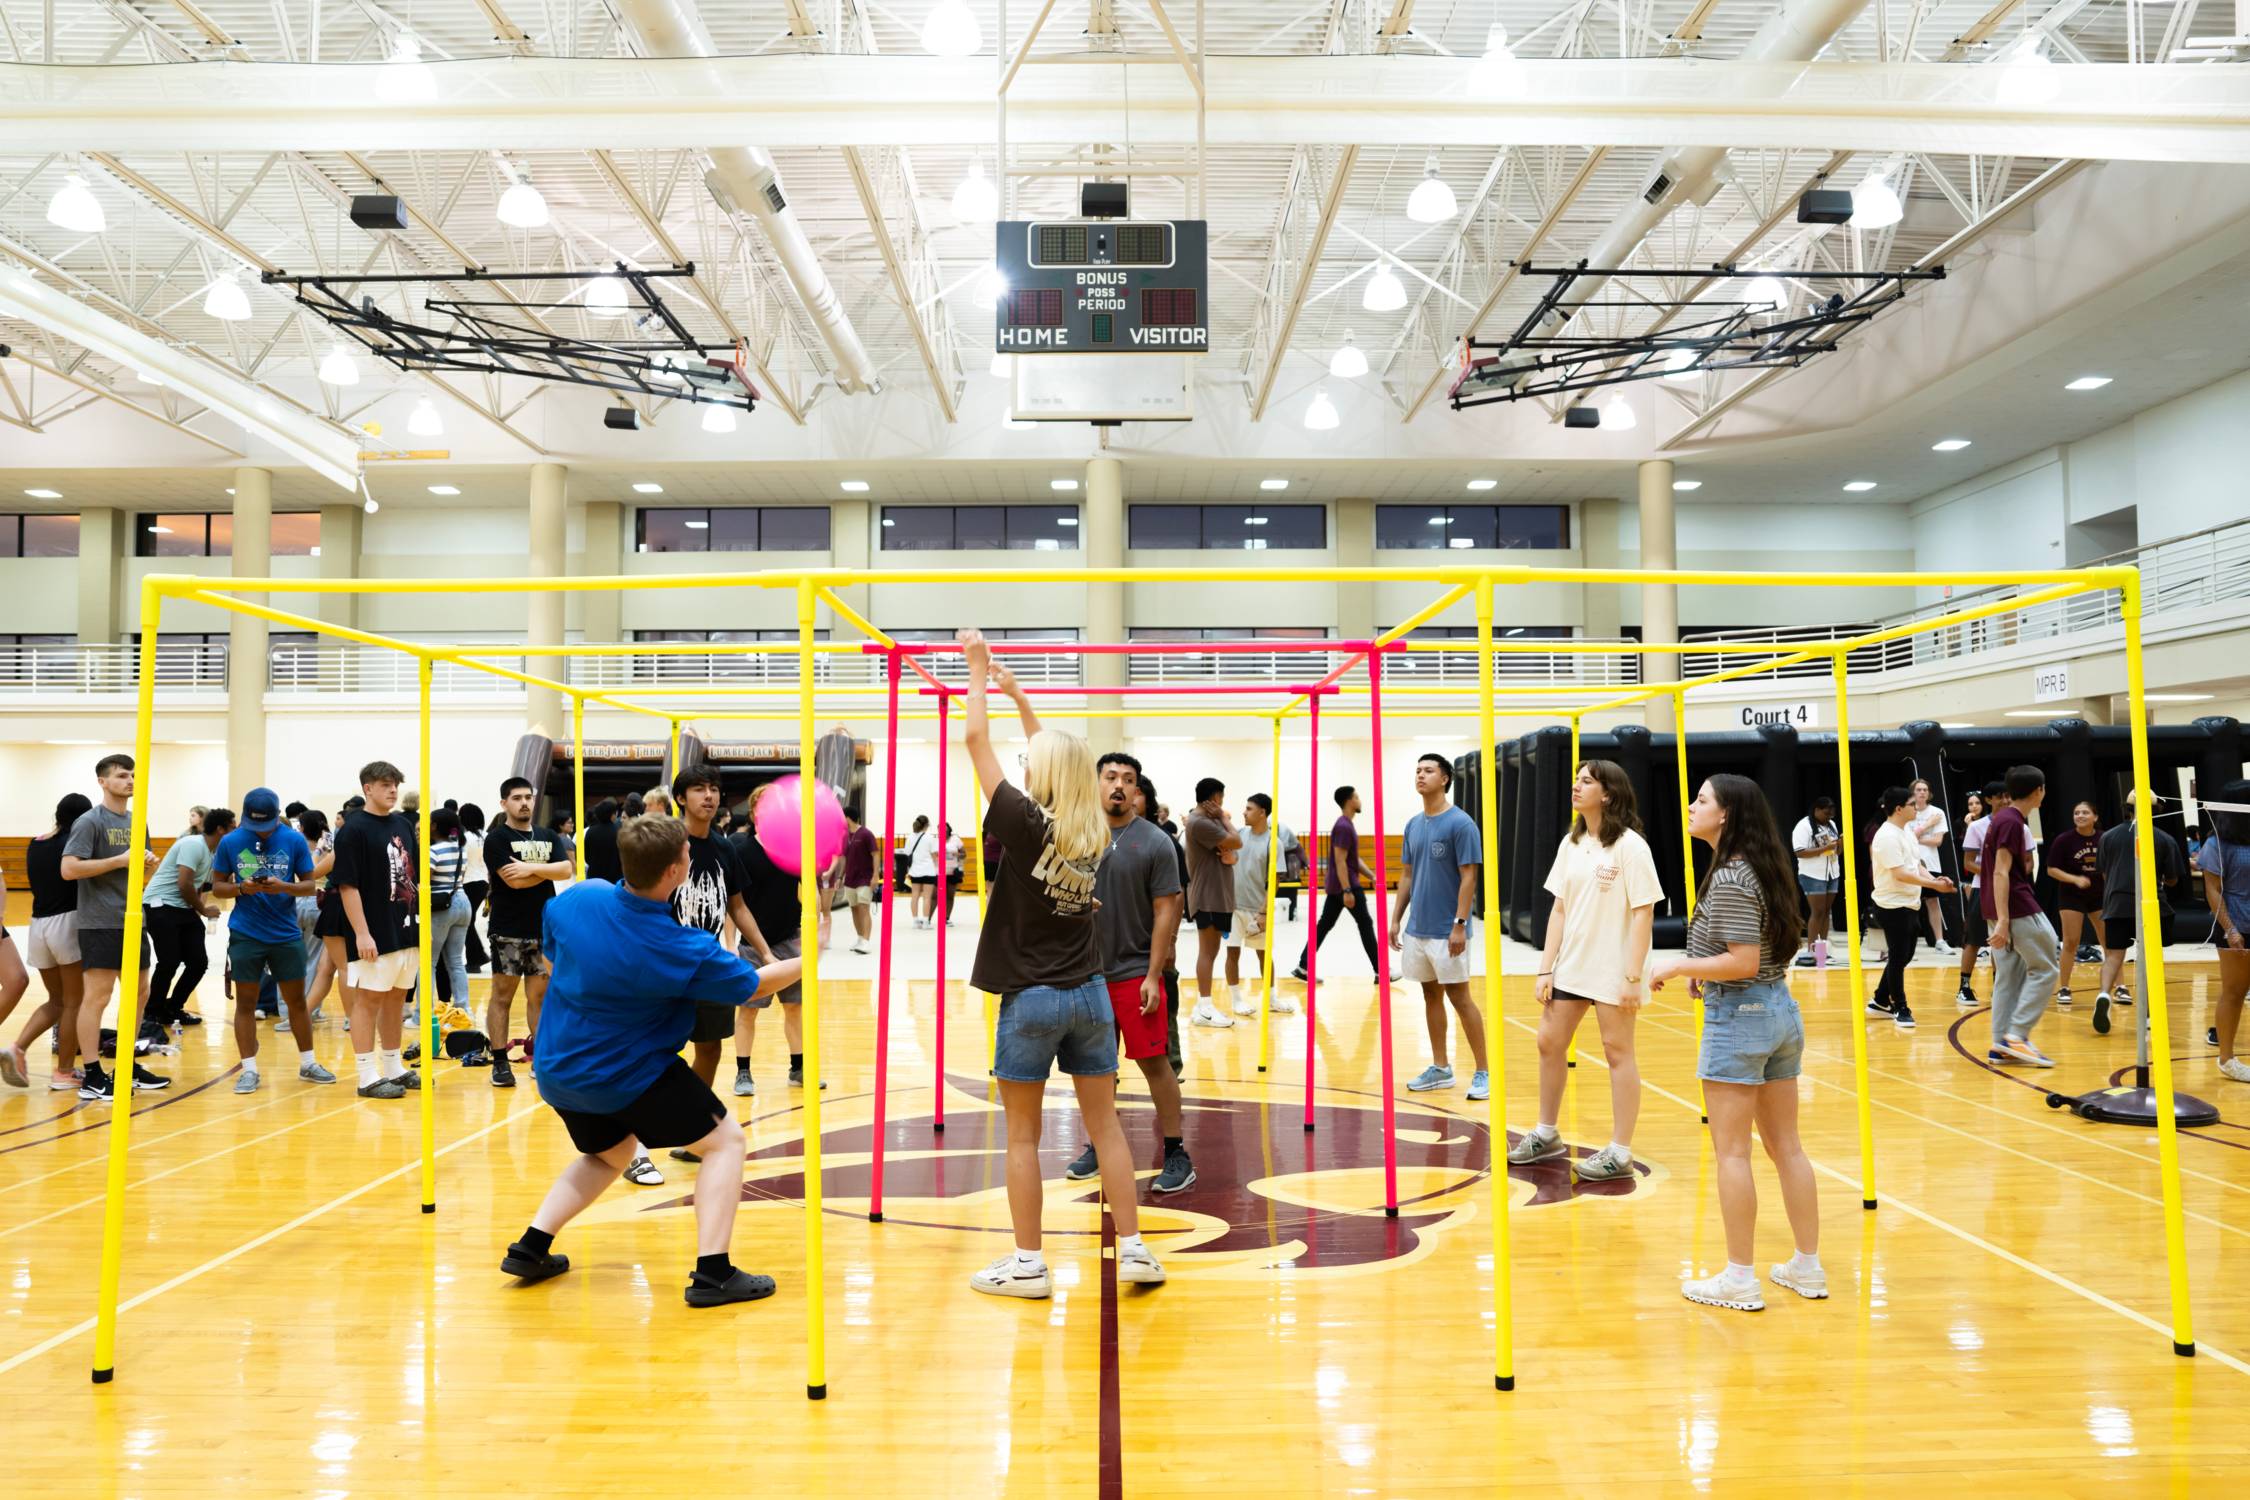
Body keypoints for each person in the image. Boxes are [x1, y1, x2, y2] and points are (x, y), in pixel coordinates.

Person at [499, 815, 804, 1306]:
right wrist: (812, 954)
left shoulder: (577, 899)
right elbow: (756, 984)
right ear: (675, 871)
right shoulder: (683, 947)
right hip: (628, 1073)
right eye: (686, 855)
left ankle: (531, 1247)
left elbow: (554, 962)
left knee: (609, 1153)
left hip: (558, 1068)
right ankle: (714, 1274)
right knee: (725, 1142)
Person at [955, 628, 1162, 1297]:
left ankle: (1027, 1265)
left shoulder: (1022, 821)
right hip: (1091, 997)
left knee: (1022, 1138)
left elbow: (975, 744)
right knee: (1106, 1127)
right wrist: (1022, 696)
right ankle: (1133, 1249)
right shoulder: (1094, 831)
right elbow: (1062, 765)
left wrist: (979, 671)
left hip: (1033, 999)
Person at [1650, 774, 1823, 1312]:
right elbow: (1758, 955)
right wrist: (1708, 969)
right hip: (1776, 1010)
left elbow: (1742, 960)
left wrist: (1681, 965)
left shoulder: (1730, 877)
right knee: (1786, 1147)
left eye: (1701, 800)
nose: (1690, 807)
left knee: (1732, 1152)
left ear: (1725, 815)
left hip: (1741, 1017)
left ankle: (1739, 1278)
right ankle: (1807, 1267)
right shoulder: (1760, 868)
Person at [1510, 761, 1659, 1181]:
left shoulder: (1631, 846)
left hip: (1614, 970)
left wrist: (1633, 976)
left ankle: (1620, 1151)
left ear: (1608, 794)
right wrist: (1545, 968)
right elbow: (1559, 908)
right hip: (1571, 966)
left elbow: (1644, 912)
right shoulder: (1571, 843)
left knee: (1617, 1053)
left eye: (1587, 781)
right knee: (1548, 1042)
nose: (1576, 786)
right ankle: (1545, 1132)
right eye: (1575, 779)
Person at [1063, 751, 1193, 1193]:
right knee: (1097, 1070)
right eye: (1110, 776)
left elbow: (1166, 913)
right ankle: (1100, 1145)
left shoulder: (1156, 842)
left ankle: (1177, 1152)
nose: (1118, 785)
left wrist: (1154, 975)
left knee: (1156, 1065)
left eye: (1128, 779)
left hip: (1135, 972)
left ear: (1138, 790)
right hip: (1085, 976)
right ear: (1096, 783)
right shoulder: (1076, 837)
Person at [62, 754, 167, 1101]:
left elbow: (137, 878)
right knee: (99, 996)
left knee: (140, 992)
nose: (130, 781)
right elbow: (69, 869)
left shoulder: (138, 822)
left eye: (133, 775)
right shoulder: (90, 822)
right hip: (100, 922)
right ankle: (92, 1074)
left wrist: (148, 866)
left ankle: (126, 1064)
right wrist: (119, 861)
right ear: (103, 782)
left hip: (132, 918)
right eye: (122, 776)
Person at [212, 789, 332, 1094]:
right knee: (246, 1004)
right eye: (255, 827)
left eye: (266, 827)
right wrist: (241, 888)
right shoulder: (230, 842)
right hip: (246, 932)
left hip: (285, 934)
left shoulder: (292, 840)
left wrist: (283, 887)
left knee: (296, 1003)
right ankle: (249, 1070)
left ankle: (308, 1063)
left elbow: (308, 886)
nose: (260, 833)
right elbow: (217, 887)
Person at [670, 766, 771, 1119]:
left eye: (713, 789)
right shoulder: (664, 841)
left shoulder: (725, 848)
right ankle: (638, 1144)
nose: (709, 796)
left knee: (710, 1048)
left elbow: (737, 906)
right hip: (664, 965)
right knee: (656, 1052)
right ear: (681, 798)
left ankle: (692, 1125)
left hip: (708, 964)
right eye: (699, 789)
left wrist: (765, 952)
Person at [1389, 754, 1489, 1099]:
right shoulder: (1414, 824)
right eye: (1417, 770)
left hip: (1448, 931)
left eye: (1428, 770)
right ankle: (1441, 1068)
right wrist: (1396, 917)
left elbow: (1469, 877)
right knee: (1430, 994)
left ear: (1445, 778)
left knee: (1461, 998)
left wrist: (1459, 925)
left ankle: (1483, 1071)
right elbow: (1406, 874)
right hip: (1418, 929)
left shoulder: (1461, 824)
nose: (1420, 775)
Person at [334, 762, 424, 1099]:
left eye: (396, 784)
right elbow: (347, 885)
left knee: (396, 998)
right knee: (369, 999)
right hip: (372, 929)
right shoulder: (353, 830)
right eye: (385, 784)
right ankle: (365, 1074)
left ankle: (392, 1065)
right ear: (367, 788)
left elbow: (409, 877)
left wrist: (418, 924)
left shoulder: (402, 823)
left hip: (404, 925)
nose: (392, 790)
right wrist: (361, 933)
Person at [478, 777, 570, 1090]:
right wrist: (546, 871)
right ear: (504, 803)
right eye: (517, 798)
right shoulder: (496, 839)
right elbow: (512, 881)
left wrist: (531, 868)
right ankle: (500, 1061)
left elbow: (566, 870)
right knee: (502, 996)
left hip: (543, 929)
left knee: (540, 997)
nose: (524, 803)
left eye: (528, 797)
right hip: (508, 930)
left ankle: (541, 1059)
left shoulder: (546, 835)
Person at [729, 783, 815, 1096]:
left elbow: (810, 891)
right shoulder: (741, 851)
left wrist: (816, 927)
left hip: (790, 940)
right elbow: (733, 903)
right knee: (748, 1010)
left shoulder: (795, 847)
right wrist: (730, 944)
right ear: (754, 812)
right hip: (753, 945)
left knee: (795, 1007)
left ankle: (798, 1067)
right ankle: (743, 1072)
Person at [6, 793, 93, 1091]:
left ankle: (17, 1048)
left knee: (57, 1000)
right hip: (66, 922)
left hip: (37, 926)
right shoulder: (75, 846)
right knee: (74, 1002)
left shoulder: (36, 842)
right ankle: (65, 1072)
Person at [1985, 765, 2059, 1068]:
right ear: (2039, 790)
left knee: (2010, 975)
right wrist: (2003, 919)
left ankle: (2001, 1043)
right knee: (2047, 965)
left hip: (1997, 907)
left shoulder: (2003, 819)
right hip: (2015, 907)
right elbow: (2001, 871)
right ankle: (2017, 1036)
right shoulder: (2012, 822)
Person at [2093, 789, 2182, 1036]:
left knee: (2113, 956)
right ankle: (2149, 1015)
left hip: (2116, 904)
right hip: (2150, 904)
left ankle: (2103, 995)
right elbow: (2173, 879)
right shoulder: (2163, 839)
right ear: (2155, 810)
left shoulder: (2108, 837)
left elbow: (2104, 872)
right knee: (2149, 960)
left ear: (2127, 808)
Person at [1869, 786, 1955, 1032]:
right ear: (1898, 809)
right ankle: (1901, 1007)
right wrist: (1933, 885)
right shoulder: (1886, 836)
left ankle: (1880, 999)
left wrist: (1935, 881)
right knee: (1898, 957)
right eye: (1911, 804)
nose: (1916, 807)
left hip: (1909, 902)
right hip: (1891, 904)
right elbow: (1900, 874)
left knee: (1904, 955)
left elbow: (1916, 865)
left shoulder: (1905, 831)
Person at [143, 805, 225, 1035]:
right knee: (169, 961)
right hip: (160, 904)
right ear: (220, 829)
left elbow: (203, 884)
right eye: (232, 828)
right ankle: (153, 1011)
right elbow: (184, 884)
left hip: (182, 907)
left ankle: (172, 1007)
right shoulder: (193, 844)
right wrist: (203, 909)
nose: (235, 832)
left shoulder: (212, 851)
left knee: (198, 962)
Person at [1293, 786, 1383, 984]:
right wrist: (1348, 890)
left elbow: (1353, 858)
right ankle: (1381, 970)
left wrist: (1372, 875)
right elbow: (1340, 860)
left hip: (1339, 885)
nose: (1360, 800)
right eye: (1357, 797)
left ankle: (1303, 966)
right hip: (1346, 885)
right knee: (1365, 924)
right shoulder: (1343, 826)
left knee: (1324, 925)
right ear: (1350, 800)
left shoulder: (1347, 825)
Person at [1181, 777, 1244, 1029]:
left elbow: (1233, 851)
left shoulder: (1206, 820)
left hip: (1216, 895)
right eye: (1222, 798)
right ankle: (1205, 1008)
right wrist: (1225, 818)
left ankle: (1201, 1006)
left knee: (1212, 951)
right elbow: (1237, 841)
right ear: (1215, 798)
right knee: (1207, 952)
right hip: (1207, 896)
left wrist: (1232, 856)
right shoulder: (1200, 822)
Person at [1223, 793, 1291, 1018]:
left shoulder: (1275, 843)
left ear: (1262, 813)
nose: (1244, 812)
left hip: (1257, 910)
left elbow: (1275, 881)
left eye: (1249, 808)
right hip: (1233, 907)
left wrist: (1263, 912)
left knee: (1264, 955)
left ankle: (1271, 999)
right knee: (1232, 953)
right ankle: (1236, 1000)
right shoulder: (1239, 834)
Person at [2200, 799, 2250, 1083]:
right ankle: (2227, 1060)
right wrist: (2231, 929)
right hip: (2237, 926)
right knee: (2234, 991)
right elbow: (2212, 889)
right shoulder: (2216, 844)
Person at [2047, 800, 2105, 1009]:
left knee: (2110, 943)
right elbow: (2051, 869)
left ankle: (2118, 987)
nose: (2080, 816)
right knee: (2071, 941)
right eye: (2076, 813)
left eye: (2085, 812)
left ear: (2095, 817)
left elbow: (2108, 867)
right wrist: (2075, 879)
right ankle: (2064, 987)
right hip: (2071, 896)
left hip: (2099, 896)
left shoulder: (2103, 839)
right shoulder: (2064, 840)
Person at [1955, 781, 2006, 1009]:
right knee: (1974, 939)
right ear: (1989, 800)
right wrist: (1994, 872)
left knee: (2000, 940)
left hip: (2005, 890)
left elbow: (2027, 862)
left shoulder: (2018, 825)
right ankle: (1964, 987)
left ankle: (2000, 987)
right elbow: (1968, 862)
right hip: (1981, 887)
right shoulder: (1977, 827)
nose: (2005, 801)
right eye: (1999, 797)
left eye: (2008, 796)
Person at [426, 807, 472, 1013]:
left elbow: (424, 880)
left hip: (441, 906)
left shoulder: (433, 851)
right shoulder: (460, 849)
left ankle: (422, 1013)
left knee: (429, 962)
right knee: (455, 961)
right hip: (463, 901)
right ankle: (464, 1008)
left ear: (434, 826)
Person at [1789, 796, 1842, 968]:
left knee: (1826, 912)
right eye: (1826, 813)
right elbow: (1799, 852)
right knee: (1817, 911)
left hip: (1832, 873)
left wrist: (1840, 844)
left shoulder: (1832, 825)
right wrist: (1824, 849)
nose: (1829, 817)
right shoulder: (1803, 826)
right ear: (1816, 810)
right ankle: (1811, 952)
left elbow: (1837, 853)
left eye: (1831, 813)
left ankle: (1822, 952)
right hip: (1812, 874)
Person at [1907, 779, 1954, 954]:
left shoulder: (1937, 813)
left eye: (1925, 789)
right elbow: (1904, 837)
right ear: (1912, 792)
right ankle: (1905, 940)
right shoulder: (1907, 810)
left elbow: (1937, 840)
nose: (1922, 793)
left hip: (1930, 863)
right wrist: (1926, 826)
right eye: (1919, 789)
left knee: (1933, 901)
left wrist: (1915, 837)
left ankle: (1940, 941)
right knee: (1909, 900)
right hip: (1910, 863)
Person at [831, 811, 880, 955]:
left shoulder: (866, 834)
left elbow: (875, 854)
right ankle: (859, 938)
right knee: (854, 908)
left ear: (847, 817)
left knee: (864, 908)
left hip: (865, 878)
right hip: (850, 879)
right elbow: (844, 858)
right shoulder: (845, 836)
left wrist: (875, 876)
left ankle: (866, 941)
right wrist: (840, 877)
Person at [459, 801, 491, 974]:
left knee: (466, 923)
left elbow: (463, 863)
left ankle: (476, 958)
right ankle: (477, 957)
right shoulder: (486, 836)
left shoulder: (465, 838)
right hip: (483, 882)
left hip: (468, 882)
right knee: (468, 922)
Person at [905, 814, 940, 928]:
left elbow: (907, 853)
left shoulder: (910, 837)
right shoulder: (930, 838)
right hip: (928, 870)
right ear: (927, 825)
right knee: (927, 897)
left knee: (914, 896)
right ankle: (925, 922)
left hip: (915, 870)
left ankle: (915, 921)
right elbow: (935, 855)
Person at [582, 798, 623, 884]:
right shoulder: (619, 831)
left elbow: (586, 857)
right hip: (615, 877)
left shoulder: (591, 831)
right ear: (612, 815)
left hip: (594, 876)